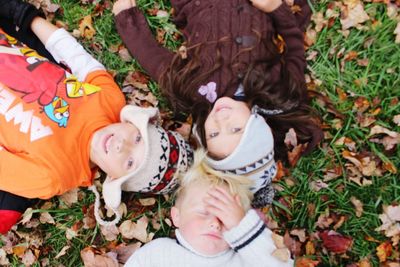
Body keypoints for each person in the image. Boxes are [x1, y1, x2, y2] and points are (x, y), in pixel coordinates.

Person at [0, 0, 193, 234]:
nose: (122, 146)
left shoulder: (53, 175)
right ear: (133, 123)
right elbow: (72, 53)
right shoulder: (110, 101)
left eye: (130, 163)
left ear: (114, 178)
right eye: (138, 139)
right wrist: (26, 16)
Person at [112, 0, 323, 207]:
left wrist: (127, 19)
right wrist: (276, 9)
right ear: (257, 124)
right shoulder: (277, 91)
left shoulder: (194, 92)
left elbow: (155, 60)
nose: (222, 120)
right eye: (236, 129)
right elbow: (295, 51)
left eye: (214, 134)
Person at [124, 150, 294, 267]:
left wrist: (241, 226)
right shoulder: (158, 253)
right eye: (203, 212)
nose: (215, 223)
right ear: (177, 216)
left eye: (225, 218)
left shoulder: (245, 260)